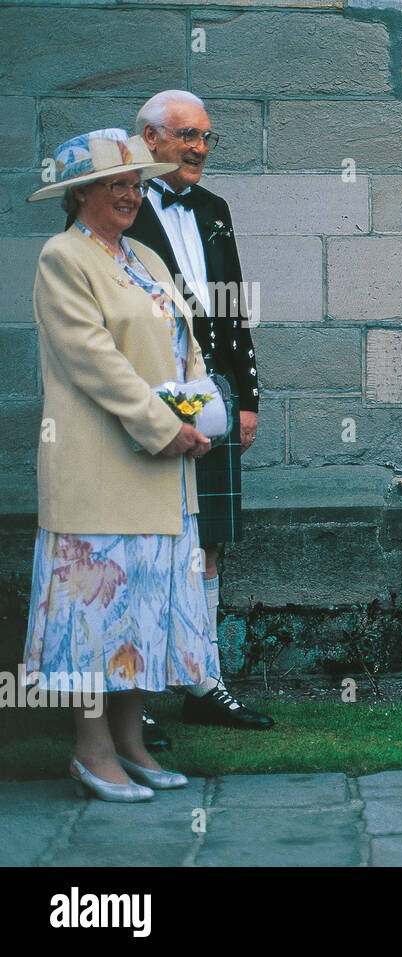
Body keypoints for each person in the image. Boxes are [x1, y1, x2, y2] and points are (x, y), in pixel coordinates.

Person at [24, 127, 216, 800]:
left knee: (143, 614)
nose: (131, 194)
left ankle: (132, 742)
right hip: (100, 469)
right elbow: (95, 359)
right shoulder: (62, 259)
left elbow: (185, 342)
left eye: (136, 183)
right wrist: (164, 427)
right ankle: (91, 748)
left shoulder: (145, 258)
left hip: (164, 469)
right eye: (117, 184)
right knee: (93, 617)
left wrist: (197, 414)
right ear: (82, 194)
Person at [127, 90, 271, 734]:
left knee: (207, 539)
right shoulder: (121, 207)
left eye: (207, 136)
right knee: (149, 535)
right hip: (150, 388)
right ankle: (136, 694)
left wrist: (247, 393)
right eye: (188, 135)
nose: (201, 149)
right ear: (150, 139)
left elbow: (234, 304)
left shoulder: (214, 209)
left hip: (211, 386)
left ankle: (203, 681)